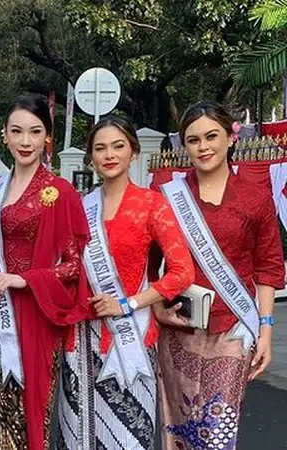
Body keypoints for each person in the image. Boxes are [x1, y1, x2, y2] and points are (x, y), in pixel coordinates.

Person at [57, 116, 194, 450]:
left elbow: (182, 272)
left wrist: (130, 302)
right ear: (90, 156)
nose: (109, 155)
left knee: (128, 435)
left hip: (130, 334)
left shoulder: (151, 205)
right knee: (78, 430)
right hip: (79, 337)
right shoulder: (80, 206)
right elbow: (67, 265)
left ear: (133, 151)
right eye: (100, 148)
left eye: (118, 146)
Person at [155, 101, 285, 450]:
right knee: (178, 426)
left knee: (217, 432)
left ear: (231, 137)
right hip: (178, 328)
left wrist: (266, 330)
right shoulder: (167, 197)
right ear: (184, 145)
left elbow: (268, 266)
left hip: (232, 327)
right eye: (193, 140)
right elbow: (147, 262)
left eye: (212, 136)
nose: (203, 147)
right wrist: (155, 310)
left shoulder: (256, 198)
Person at [0, 93, 92, 450]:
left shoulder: (59, 192)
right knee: (6, 414)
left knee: (33, 413)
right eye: (17, 131)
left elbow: (73, 266)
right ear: (4, 135)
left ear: (47, 137)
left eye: (35, 132)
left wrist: (25, 279)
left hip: (36, 315)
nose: (25, 141)